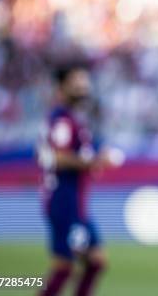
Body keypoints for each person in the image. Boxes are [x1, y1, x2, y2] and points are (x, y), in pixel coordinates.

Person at [37, 64, 113, 296]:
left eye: (85, 81)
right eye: (76, 82)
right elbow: (58, 158)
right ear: (62, 87)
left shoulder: (73, 119)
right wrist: (94, 162)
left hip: (75, 203)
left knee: (95, 261)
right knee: (65, 266)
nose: (83, 87)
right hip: (63, 201)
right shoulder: (61, 120)